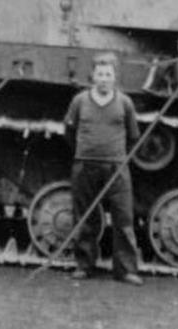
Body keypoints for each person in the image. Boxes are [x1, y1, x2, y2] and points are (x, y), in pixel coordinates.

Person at [63, 52, 144, 286]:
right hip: (85, 165)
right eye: (100, 74)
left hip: (116, 168)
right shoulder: (80, 101)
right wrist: (84, 152)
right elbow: (69, 132)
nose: (104, 79)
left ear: (115, 77)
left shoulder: (124, 102)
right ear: (93, 76)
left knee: (123, 218)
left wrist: (117, 156)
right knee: (84, 217)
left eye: (108, 74)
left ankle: (126, 270)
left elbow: (134, 136)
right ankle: (84, 265)